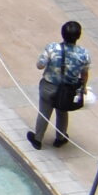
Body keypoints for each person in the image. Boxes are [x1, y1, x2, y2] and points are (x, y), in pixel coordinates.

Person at [28, 20, 90, 149]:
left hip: (48, 86)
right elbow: (84, 74)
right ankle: (60, 138)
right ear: (78, 36)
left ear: (62, 34)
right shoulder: (84, 54)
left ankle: (38, 139)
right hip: (68, 89)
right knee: (62, 111)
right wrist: (83, 87)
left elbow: (40, 65)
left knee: (44, 112)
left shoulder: (52, 48)